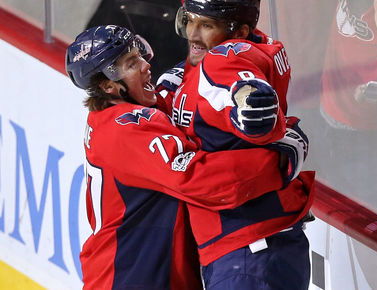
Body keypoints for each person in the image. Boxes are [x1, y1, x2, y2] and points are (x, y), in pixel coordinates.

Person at [66, 25, 296, 289]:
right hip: (132, 280)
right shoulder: (126, 129)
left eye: (139, 55)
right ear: (108, 85)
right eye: (131, 64)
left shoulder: (113, 116)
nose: (145, 66)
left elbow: (184, 92)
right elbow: (199, 178)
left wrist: (230, 41)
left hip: (139, 275)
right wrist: (278, 161)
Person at [153, 0, 314, 288]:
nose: (193, 34)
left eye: (206, 25)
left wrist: (249, 104)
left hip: (247, 251)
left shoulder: (222, 61)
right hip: (263, 243)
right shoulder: (247, 41)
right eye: (189, 20)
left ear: (238, 32)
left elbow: (235, 83)